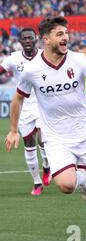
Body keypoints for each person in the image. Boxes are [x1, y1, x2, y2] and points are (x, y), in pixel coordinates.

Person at [5, 16, 86, 241]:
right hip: (56, 136)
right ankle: (82, 182)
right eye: (59, 34)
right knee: (66, 185)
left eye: (66, 33)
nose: (65, 37)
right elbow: (17, 99)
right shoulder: (32, 69)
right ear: (45, 39)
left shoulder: (79, 60)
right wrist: (13, 130)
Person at [0, 28, 51, 195]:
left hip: (43, 104)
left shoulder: (46, 55)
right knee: (29, 144)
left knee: (43, 139)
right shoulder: (14, 58)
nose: (28, 40)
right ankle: (37, 182)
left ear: (36, 39)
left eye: (30, 37)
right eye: (24, 38)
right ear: (20, 41)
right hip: (22, 106)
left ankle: (47, 165)